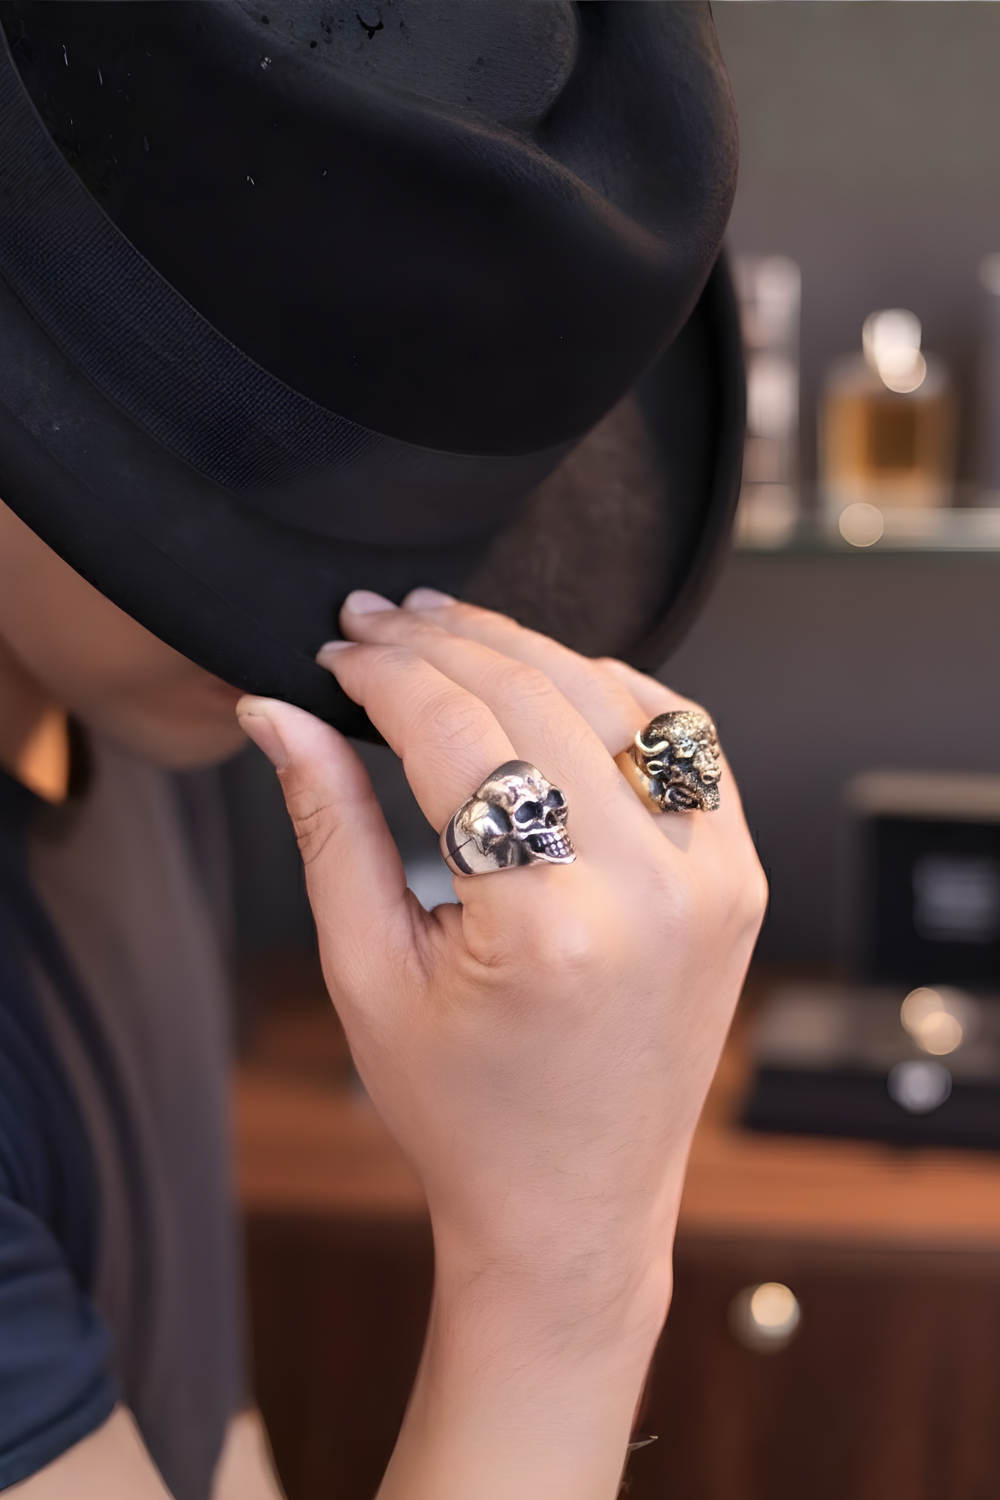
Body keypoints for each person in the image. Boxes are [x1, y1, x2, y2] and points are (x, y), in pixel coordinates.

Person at [0, 4, 766, 1496]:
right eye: (231, 527)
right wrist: (566, 1279)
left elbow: (202, 1445)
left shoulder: (147, 726)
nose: (315, 642)